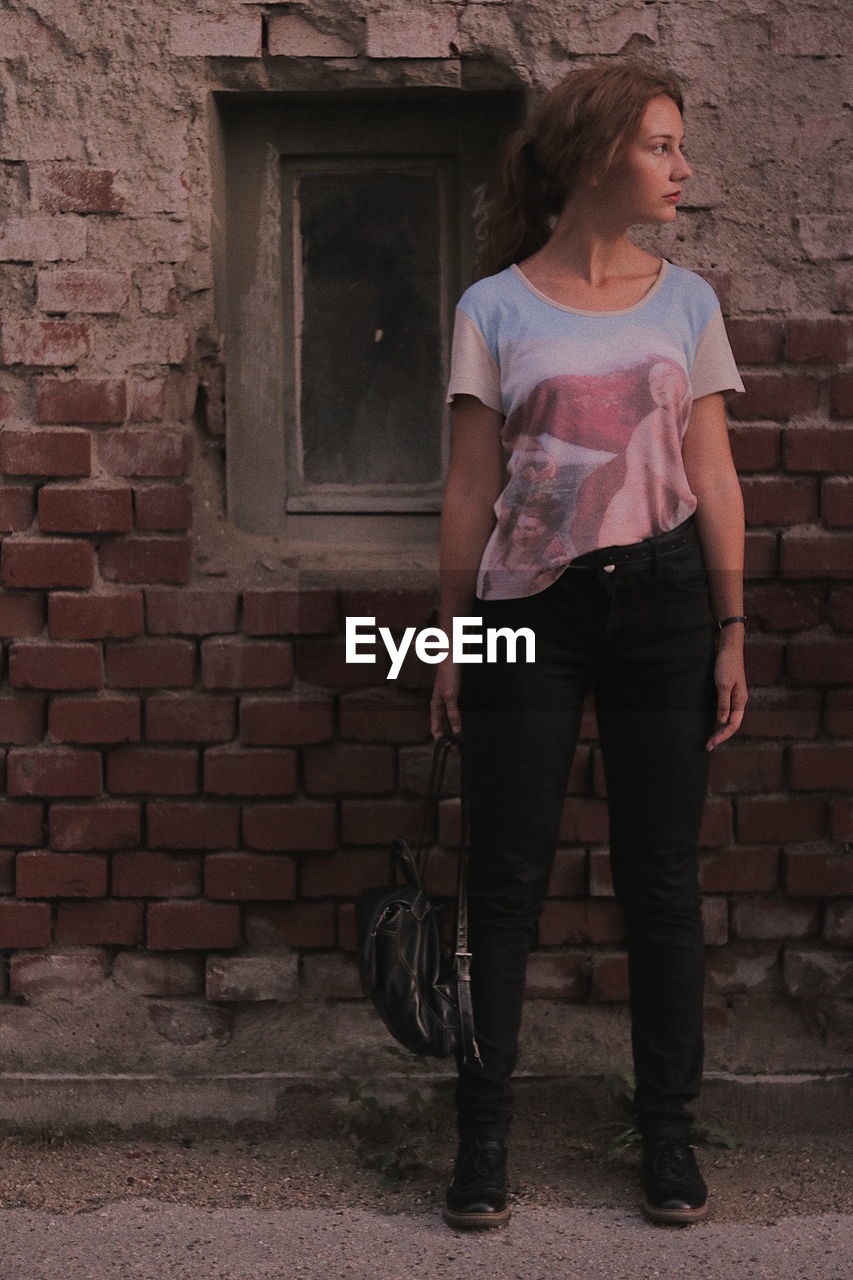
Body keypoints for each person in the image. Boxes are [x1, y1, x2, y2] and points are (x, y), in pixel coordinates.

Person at [431, 59, 747, 1230]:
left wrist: (730, 627)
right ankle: (482, 1139)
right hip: (527, 611)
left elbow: (713, 473)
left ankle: (667, 1135)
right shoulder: (493, 308)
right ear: (596, 153)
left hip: (667, 605)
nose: (682, 167)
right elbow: (468, 489)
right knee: (502, 879)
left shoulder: (688, 303)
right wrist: (451, 638)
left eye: (678, 145)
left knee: (662, 881)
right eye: (662, 145)